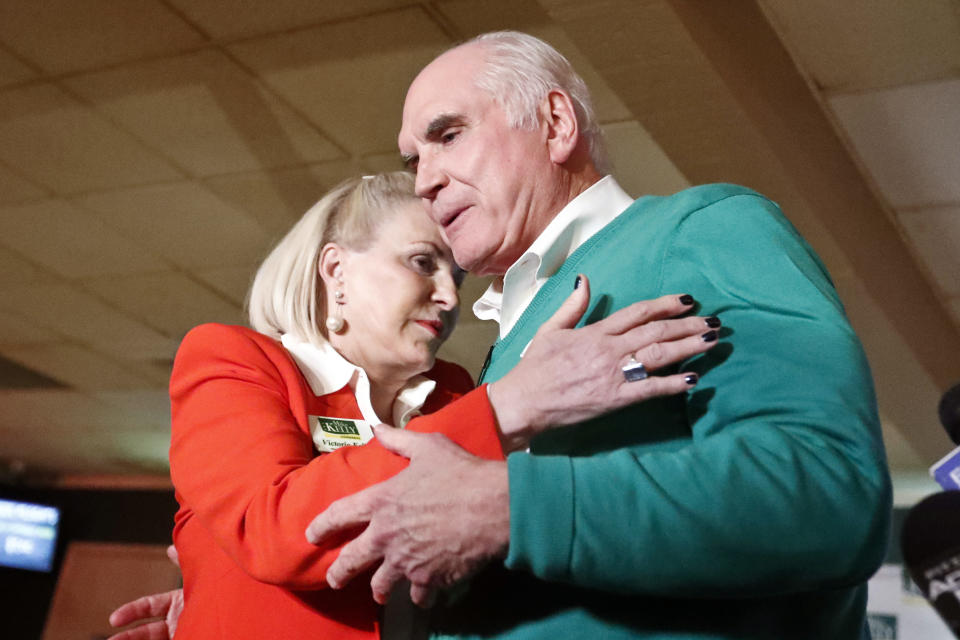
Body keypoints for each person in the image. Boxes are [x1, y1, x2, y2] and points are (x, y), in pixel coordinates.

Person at [302, 31, 893, 639]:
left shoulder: (698, 230)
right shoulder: (507, 337)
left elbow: (829, 493)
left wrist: (510, 506)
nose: (424, 181)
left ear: (556, 124)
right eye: (413, 161)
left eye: (448, 136)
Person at [106, 171, 718, 640]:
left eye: (456, 273)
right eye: (423, 262)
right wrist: (514, 404)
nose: (450, 294)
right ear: (336, 271)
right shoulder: (237, 359)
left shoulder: (456, 394)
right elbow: (277, 527)